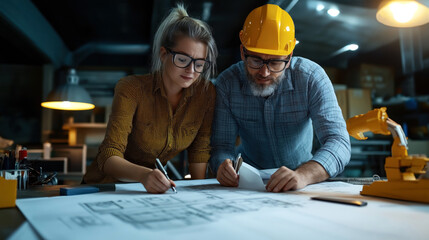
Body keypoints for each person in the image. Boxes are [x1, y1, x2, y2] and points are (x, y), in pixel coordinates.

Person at [209, 4, 350, 192]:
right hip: (248, 183)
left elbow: (338, 141)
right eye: (256, 60)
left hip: (301, 179)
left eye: (275, 62)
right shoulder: (227, 84)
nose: (264, 72)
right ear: (243, 52)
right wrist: (222, 166)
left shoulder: (311, 78)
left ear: (289, 56)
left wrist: (304, 175)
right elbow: (221, 146)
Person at [83, 4, 218, 193]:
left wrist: (200, 193)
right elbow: (108, 155)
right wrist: (143, 175)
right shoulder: (131, 89)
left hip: (150, 193)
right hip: (105, 187)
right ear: (164, 54)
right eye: (182, 59)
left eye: (200, 63)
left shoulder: (206, 93)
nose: (191, 70)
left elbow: (199, 151)